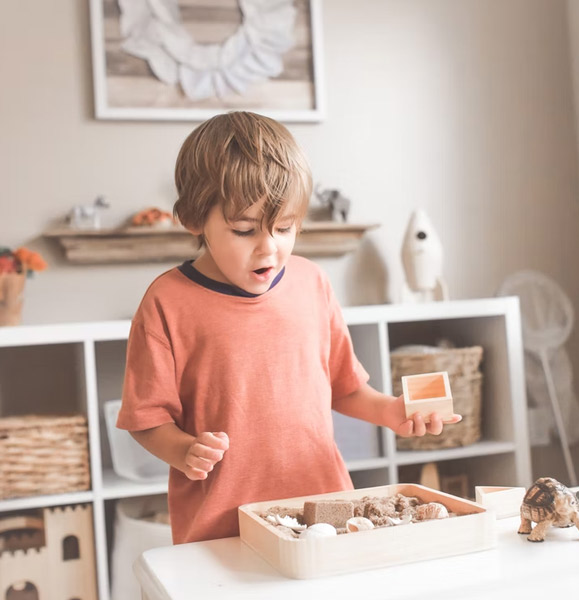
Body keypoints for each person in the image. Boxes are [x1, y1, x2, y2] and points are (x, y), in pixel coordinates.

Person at [117, 111, 460, 544]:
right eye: (244, 230)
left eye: (284, 228)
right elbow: (145, 418)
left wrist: (391, 412)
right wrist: (184, 451)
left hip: (325, 512)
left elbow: (344, 387)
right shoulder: (167, 302)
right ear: (194, 219)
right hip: (222, 527)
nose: (269, 248)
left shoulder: (312, 283)